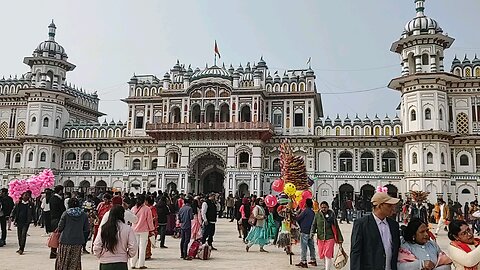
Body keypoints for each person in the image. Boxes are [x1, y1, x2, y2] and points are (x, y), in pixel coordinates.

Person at [350, 191, 400, 270]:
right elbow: (356, 252)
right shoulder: (362, 224)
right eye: (389, 206)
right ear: (379, 206)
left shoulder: (394, 225)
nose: (392, 208)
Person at [93, 205, 138, 270]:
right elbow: (133, 247)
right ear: (122, 215)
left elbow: (97, 245)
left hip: (105, 263)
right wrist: (127, 255)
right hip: (121, 263)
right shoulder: (127, 229)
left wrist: (99, 255)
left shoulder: (103, 228)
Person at [55, 198, 89, 270]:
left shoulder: (65, 213)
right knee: (75, 261)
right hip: (78, 241)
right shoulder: (84, 214)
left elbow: (60, 227)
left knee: (64, 260)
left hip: (65, 240)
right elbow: (86, 229)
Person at [311, 201, 343, 270]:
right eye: (322, 207)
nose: (323, 209)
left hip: (330, 238)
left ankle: (327, 269)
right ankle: (326, 266)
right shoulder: (317, 215)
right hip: (320, 238)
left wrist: (340, 239)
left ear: (328, 207)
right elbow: (314, 225)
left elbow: (336, 227)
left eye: (325, 207)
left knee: (327, 254)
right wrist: (312, 233)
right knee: (322, 255)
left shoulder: (332, 215)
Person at [130, 194, 155, 269]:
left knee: (135, 247)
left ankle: (132, 264)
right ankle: (141, 264)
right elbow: (149, 221)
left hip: (134, 230)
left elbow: (131, 220)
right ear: (144, 200)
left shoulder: (133, 208)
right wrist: (151, 230)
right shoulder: (147, 209)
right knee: (142, 248)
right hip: (144, 231)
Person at [295, 198, 317, 268]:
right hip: (311, 231)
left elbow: (298, 218)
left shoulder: (305, 211)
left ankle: (303, 261)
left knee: (303, 247)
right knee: (311, 246)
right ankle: (313, 260)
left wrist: (294, 215)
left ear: (306, 204)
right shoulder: (312, 212)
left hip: (304, 231)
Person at [50, 185, 66, 259]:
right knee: (58, 236)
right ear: (60, 191)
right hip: (58, 219)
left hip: (53, 218)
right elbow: (62, 210)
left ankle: (53, 251)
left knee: (55, 235)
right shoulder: (58, 199)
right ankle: (54, 252)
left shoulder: (51, 198)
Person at [145, 196, 158, 260]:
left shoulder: (151, 208)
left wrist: (149, 220)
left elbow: (155, 217)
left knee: (148, 241)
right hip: (147, 226)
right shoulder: (147, 208)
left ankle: (147, 253)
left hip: (150, 226)